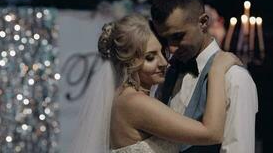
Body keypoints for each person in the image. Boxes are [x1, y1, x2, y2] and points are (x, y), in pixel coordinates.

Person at [69, 14, 242, 153]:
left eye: (162, 52)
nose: (164, 62)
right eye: (150, 57)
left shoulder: (123, 98)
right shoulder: (134, 103)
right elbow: (212, 133)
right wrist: (217, 70)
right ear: (129, 62)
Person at [150, 0, 258, 152]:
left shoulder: (234, 77)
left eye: (178, 36)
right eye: (164, 40)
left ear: (203, 22)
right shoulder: (166, 73)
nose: (171, 49)